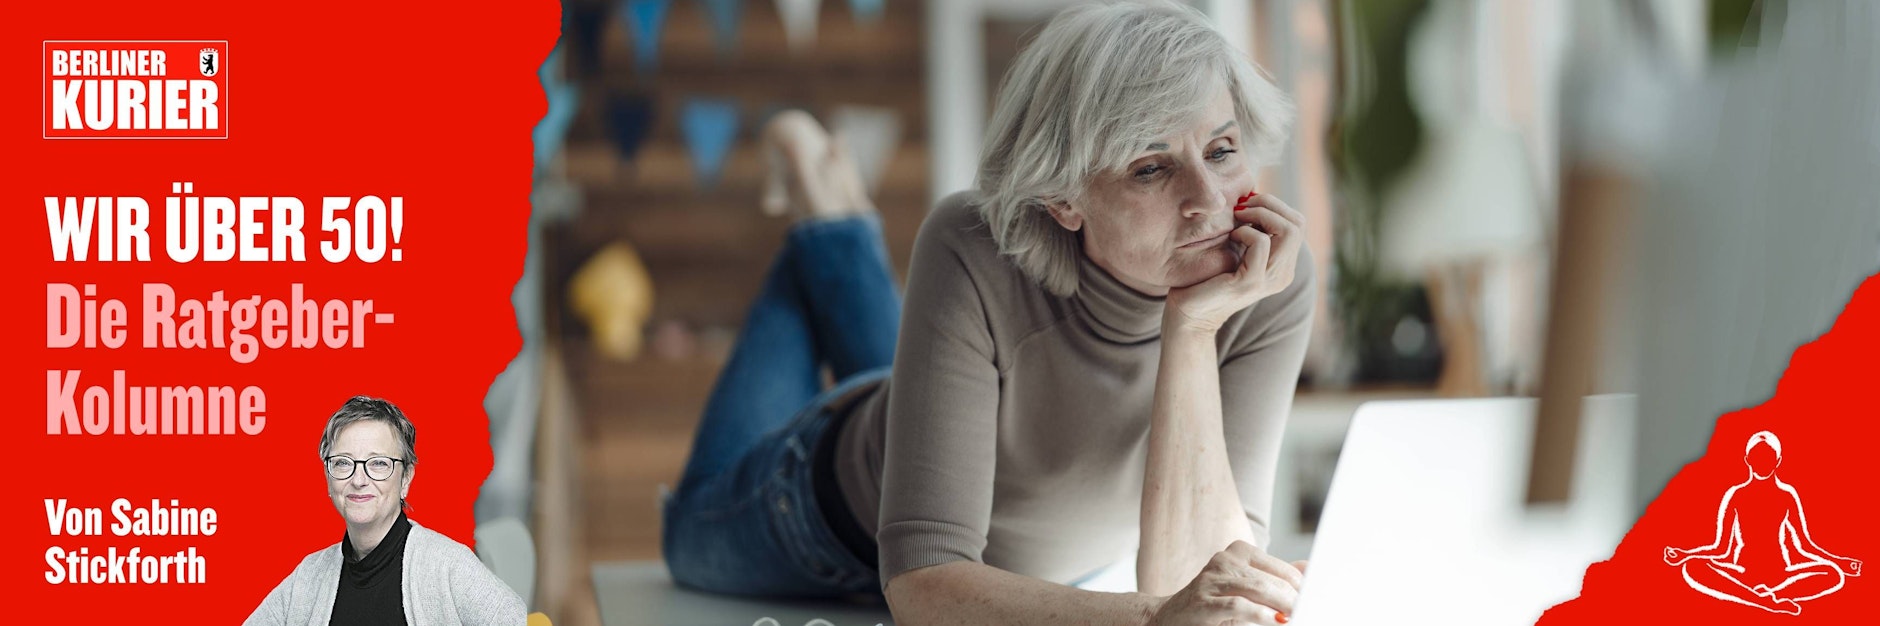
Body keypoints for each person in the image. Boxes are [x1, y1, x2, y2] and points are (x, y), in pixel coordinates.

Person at [660, 2, 1315, 624]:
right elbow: (924, 585)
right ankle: (821, 213)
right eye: (1150, 168)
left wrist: (1194, 329)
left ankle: (831, 213)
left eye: (1222, 149)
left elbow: (1199, 583)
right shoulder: (973, 245)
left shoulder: (1269, 277)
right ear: (1063, 200)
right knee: (684, 534)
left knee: (907, 394)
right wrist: (1150, 622)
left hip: (943, 434)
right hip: (823, 517)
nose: (1210, 200)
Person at [246, 396, 526, 625]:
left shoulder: (447, 565)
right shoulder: (309, 577)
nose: (358, 479)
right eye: (343, 463)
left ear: (405, 478)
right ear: (327, 476)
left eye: (378, 463)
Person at [1664, 431, 1862, 615]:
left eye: (1768, 457)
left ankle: (1768, 597)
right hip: (1743, 572)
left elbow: (1804, 546)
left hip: (1780, 574)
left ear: (1777, 460)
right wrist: (1685, 555)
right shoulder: (1737, 495)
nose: (1762, 462)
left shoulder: (1787, 496)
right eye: (1757, 457)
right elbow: (1722, 549)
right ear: (1748, 460)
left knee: (1833, 574)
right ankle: (1763, 601)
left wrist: (1840, 563)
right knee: (1692, 567)